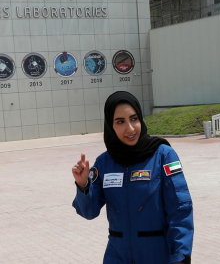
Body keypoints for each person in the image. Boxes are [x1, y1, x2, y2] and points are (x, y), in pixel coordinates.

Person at [72, 91, 194, 264]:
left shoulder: (163, 156)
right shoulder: (104, 163)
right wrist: (83, 185)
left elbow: (180, 209)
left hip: (156, 255)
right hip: (117, 256)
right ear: (110, 126)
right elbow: (89, 212)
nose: (130, 128)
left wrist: (180, 256)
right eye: (120, 122)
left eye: (134, 119)